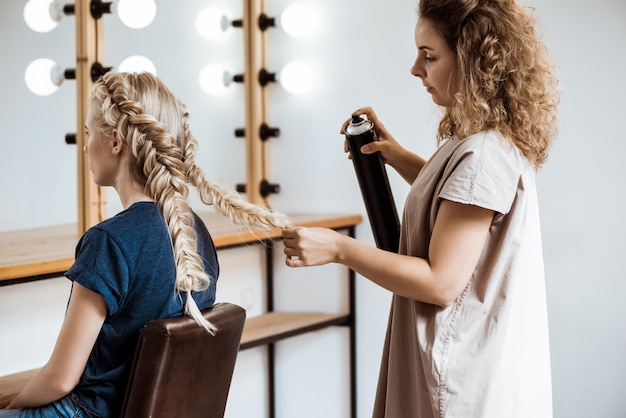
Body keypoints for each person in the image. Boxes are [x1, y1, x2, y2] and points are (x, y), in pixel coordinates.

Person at [282, 0, 559, 416]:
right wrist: (395, 156)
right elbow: (455, 204)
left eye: (429, 56)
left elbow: (440, 282)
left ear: (473, 61)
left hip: (457, 383)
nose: (416, 69)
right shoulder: (483, 143)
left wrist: (340, 250)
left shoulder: (482, 154)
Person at [0, 71, 290, 417]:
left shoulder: (108, 242)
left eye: (89, 133)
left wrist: (12, 407)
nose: (85, 145)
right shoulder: (194, 232)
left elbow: (60, 379)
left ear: (117, 142)